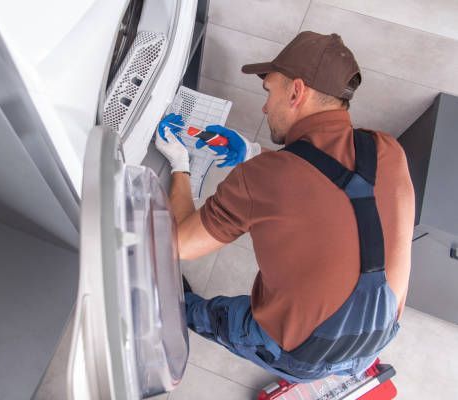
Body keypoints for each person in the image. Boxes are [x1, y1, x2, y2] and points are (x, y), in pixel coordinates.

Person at [154, 31, 415, 382]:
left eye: (269, 92)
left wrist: (179, 165)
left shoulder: (263, 178)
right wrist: (254, 153)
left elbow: (182, 244)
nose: (264, 107)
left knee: (220, 319)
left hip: (300, 353)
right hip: (376, 339)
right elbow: (326, 181)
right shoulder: (388, 149)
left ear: (297, 92)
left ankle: (182, 311)